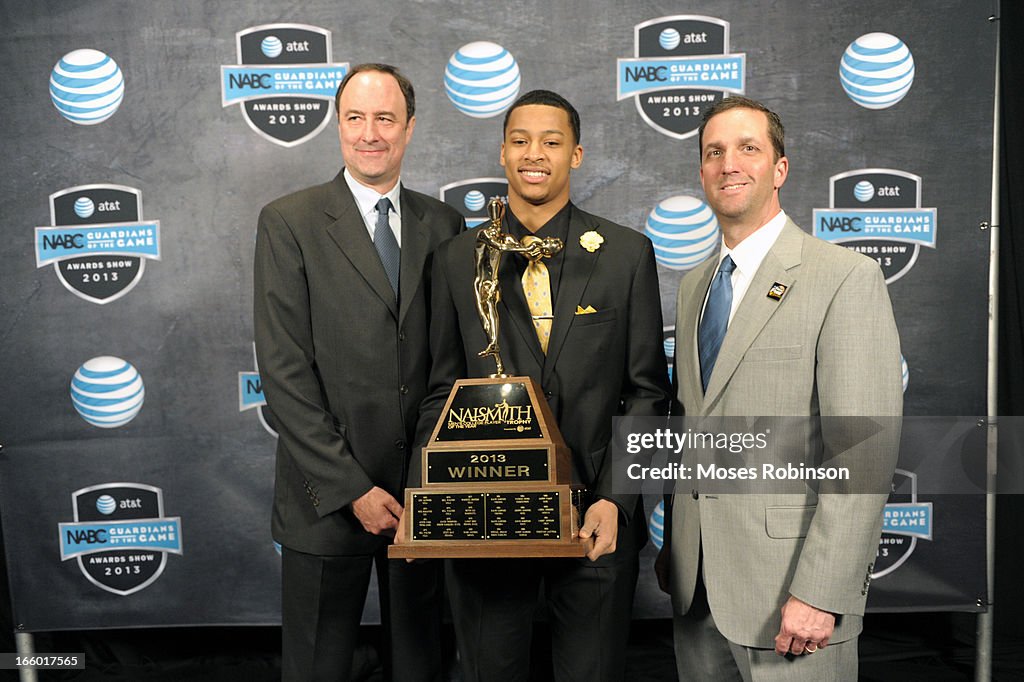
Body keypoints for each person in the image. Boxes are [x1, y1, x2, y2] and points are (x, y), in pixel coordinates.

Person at [413, 89, 671, 682]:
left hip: (595, 523)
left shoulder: (626, 254)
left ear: (576, 155)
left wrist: (616, 498)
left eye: (552, 142)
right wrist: (433, 502)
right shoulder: (457, 260)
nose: (536, 154)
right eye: (521, 140)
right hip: (487, 522)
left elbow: (648, 392)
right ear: (502, 153)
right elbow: (441, 394)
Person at [656, 96, 902, 681]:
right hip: (698, 592)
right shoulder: (694, 287)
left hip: (793, 597)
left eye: (748, 148)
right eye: (713, 152)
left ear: (780, 169)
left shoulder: (844, 277)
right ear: (701, 171)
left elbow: (862, 453)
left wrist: (824, 590)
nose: (728, 164)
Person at [253, 63, 464, 682]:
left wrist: (424, 480)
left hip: (418, 503)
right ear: (338, 125)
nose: (370, 133)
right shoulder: (289, 221)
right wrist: (352, 488)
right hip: (325, 500)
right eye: (355, 118)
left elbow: (446, 367)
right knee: (317, 667)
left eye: (385, 118)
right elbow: (285, 371)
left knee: (420, 666)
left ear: (410, 128)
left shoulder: (444, 225)